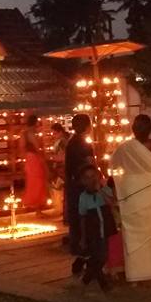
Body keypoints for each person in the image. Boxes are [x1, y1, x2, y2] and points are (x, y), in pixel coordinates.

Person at [109, 114, 151, 283]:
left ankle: (137, 272)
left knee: (134, 234)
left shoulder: (125, 149)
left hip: (133, 194)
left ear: (133, 129)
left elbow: (114, 167)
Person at [77, 164, 116, 292]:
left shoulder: (105, 191)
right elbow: (82, 217)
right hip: (92, 231)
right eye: (87, 178)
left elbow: (111, 203)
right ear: (83, 181)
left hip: (104, 229)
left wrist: (100, 190)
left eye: (93, 176)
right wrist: (82, 238)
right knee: (97, 255)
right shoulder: (83, 197)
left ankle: (86, 277)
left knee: (102, 256)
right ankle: (103, 284)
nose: (91, 180)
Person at [64, 113, 95, 263]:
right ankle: (85, 244)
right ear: (87, 126)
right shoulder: (84, 144)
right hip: (83, 184)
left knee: (76, 215)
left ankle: (75, 244)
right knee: (85, 215)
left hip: (73, 183)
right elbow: (90, 164)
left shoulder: (71, 142)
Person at [20, 115, 48, 215]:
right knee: (38, 182)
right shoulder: (30, 133)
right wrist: (42, 158)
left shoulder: (24, 133)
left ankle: (37, 209)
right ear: (35, 122)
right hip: (34, 158)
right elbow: (37, 147)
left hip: (29, 158)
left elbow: (22, 148)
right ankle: (38, 209)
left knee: (33, 182)